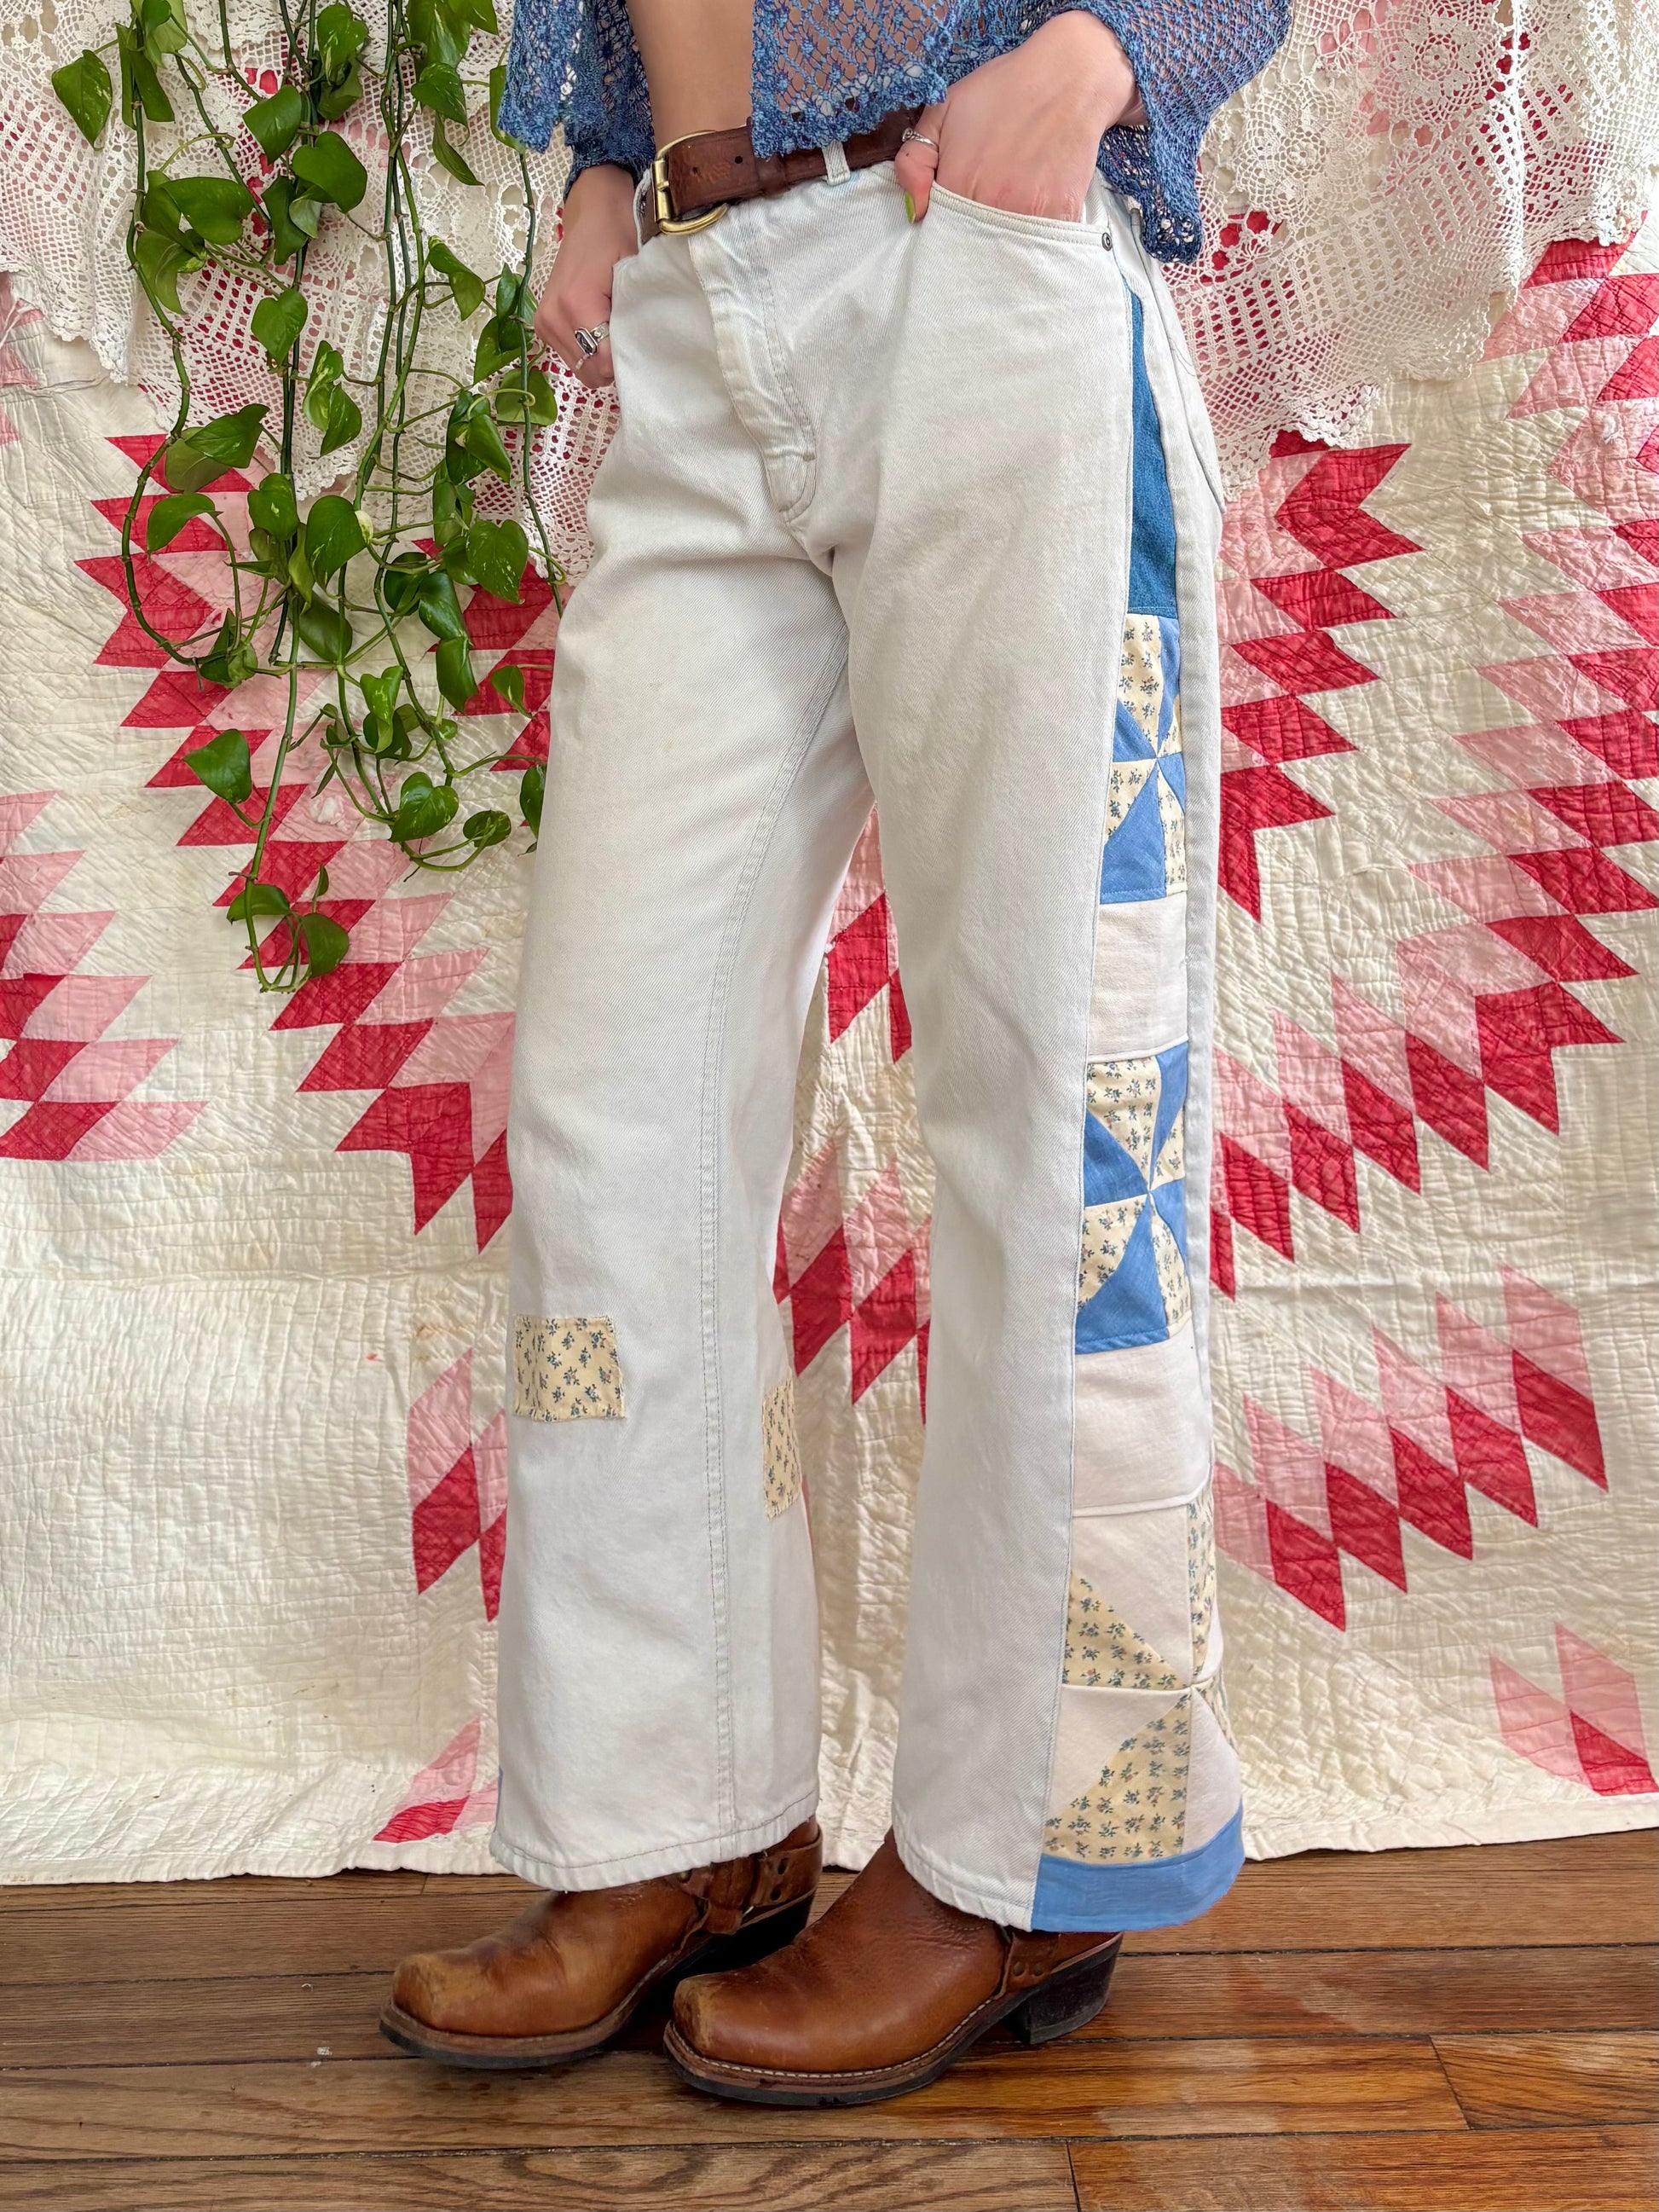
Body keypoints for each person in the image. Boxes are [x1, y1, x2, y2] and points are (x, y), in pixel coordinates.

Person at [382, 0, 1286, 2106]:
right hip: (701, 306)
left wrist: (1105, 53)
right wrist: (611, 156)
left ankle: (1032, 1851)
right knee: (613, 1108)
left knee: (1049, 1097)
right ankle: (677, 1816)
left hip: (963, 254)